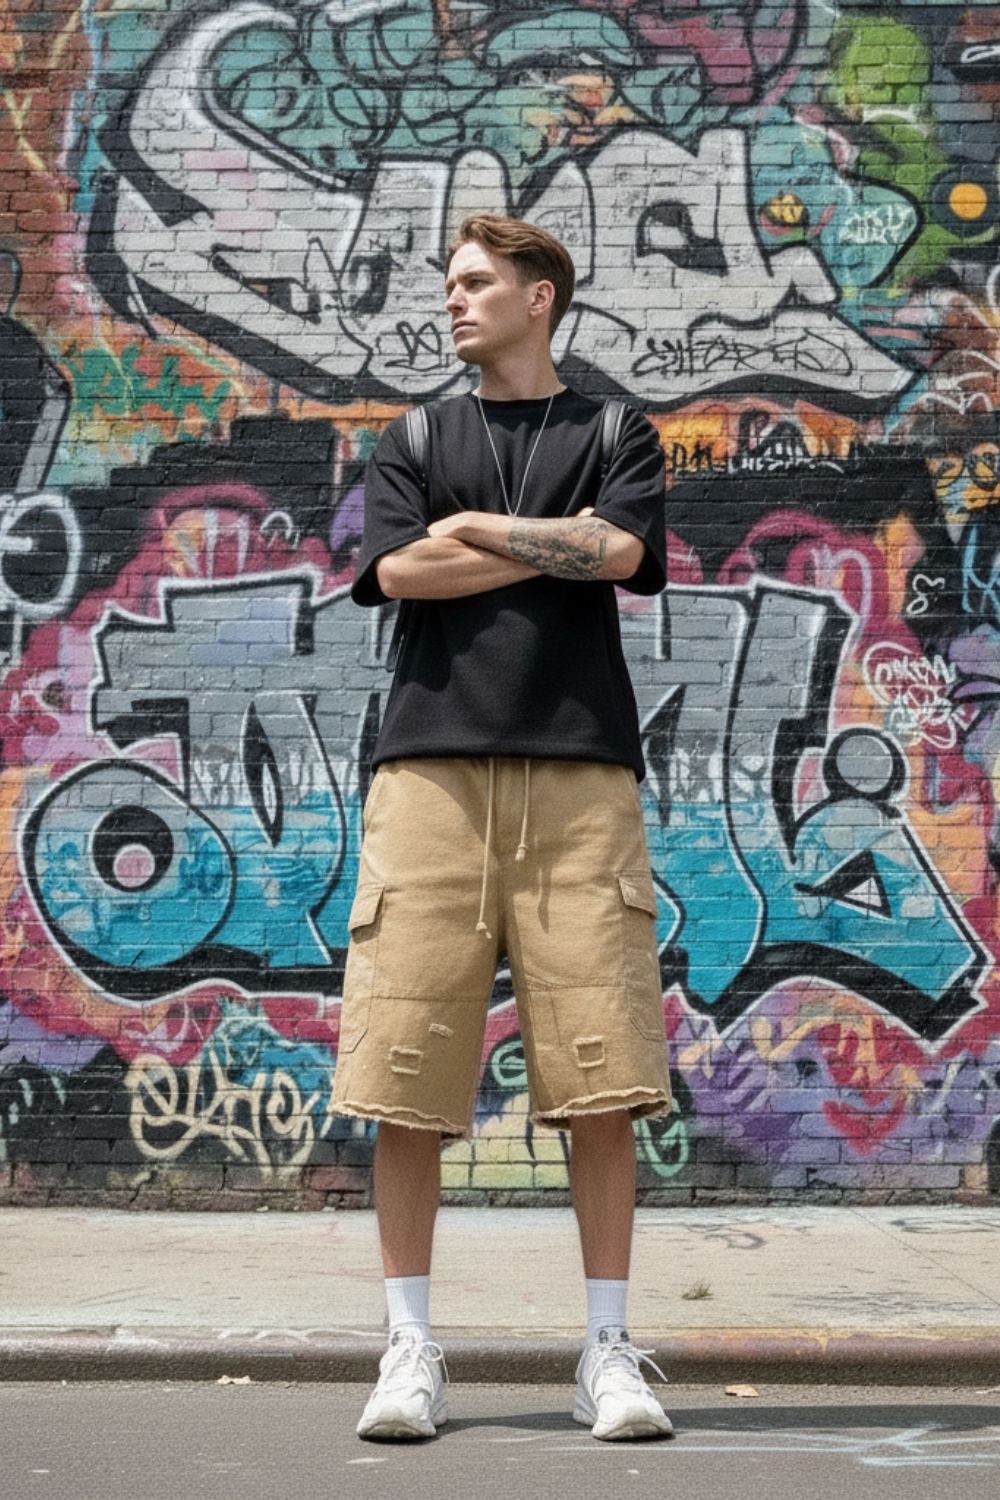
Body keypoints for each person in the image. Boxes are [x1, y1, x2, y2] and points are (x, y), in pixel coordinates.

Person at [333, 213, 674, 1443]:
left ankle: (606, 1353)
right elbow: (397, 575)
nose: (453, 300)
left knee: (601, 1078)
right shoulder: (417, 436)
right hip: (428, 777)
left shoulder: (616, 431)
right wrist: (552, 547)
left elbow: (621, 551)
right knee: (405, 1075)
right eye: (451, 283)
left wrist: (473, 530)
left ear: (540, 297)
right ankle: (408, 1349)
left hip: (581, 779)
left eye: (477, 282)